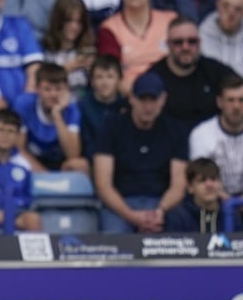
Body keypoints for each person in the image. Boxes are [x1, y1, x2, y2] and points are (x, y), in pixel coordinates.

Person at [93, 71, 188, 233]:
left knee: (178, 236)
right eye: (143, 99)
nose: (148, 106)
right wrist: (130, 215)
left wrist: (160, 211)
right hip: (121, 204)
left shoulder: (176, 130)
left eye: (153, 100)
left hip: (161, 202)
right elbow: (103, 185)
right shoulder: (111, 127)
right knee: (114, 240)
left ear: (163, 100)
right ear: (131, 99)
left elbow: (178, 184)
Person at [97, 0, 178, 93]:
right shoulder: (109, 28)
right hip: (130, 95)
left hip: (171, 90)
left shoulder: (171, 20)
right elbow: (111, 74)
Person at [148, 15, 237, 130]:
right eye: (178, 42)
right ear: (168, 45)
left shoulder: (215, 71)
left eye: (192, 41)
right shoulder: (154, 76)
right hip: (172, 143)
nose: (185, 47)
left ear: (199, 43)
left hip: (214, 143)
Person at [12, 62, 89, 173]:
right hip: (31, 161)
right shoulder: (23, 104)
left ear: (66, 89)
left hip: (60, 163)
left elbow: (73, 154)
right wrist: (45, 175)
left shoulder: (72, 110)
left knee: (80, 165)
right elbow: (19, 149)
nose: (53, 94)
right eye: (47, 89)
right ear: (37, 89)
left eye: (58, 89)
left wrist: (57, 115)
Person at [189, 74, 243, 198]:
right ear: (219, 102)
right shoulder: (201, 134)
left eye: (241, 100)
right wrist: (230, 203)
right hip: (213, 203)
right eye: (230, 100)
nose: (236, 106)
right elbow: (199, 181)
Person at [165, 157, 243, 232]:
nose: (209, 185)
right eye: (201, 181)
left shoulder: (232, 215)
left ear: (220, 183)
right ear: (190, 187)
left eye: (213, 179)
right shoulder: (177, 217)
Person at [41, 0, 96, 96]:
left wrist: (93, 70)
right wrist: (68, 68)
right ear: (59, 20)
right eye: (69, 21)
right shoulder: (43, 49)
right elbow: (41, 82)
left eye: (79, 22)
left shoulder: (88, 49)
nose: (74, 27)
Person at [78, 54, 127, 162]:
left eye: (110, 77)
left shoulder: (128, 106)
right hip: (93, 161)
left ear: (119, 80)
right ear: (92, 81)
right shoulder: (82, 107)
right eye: (99, 77)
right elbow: (85, 144)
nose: (105, 83)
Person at [198, 0, 243, 76]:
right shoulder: (200, 37)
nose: (231, 13)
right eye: (226, 6)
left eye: (238, 9)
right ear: (217, 5)